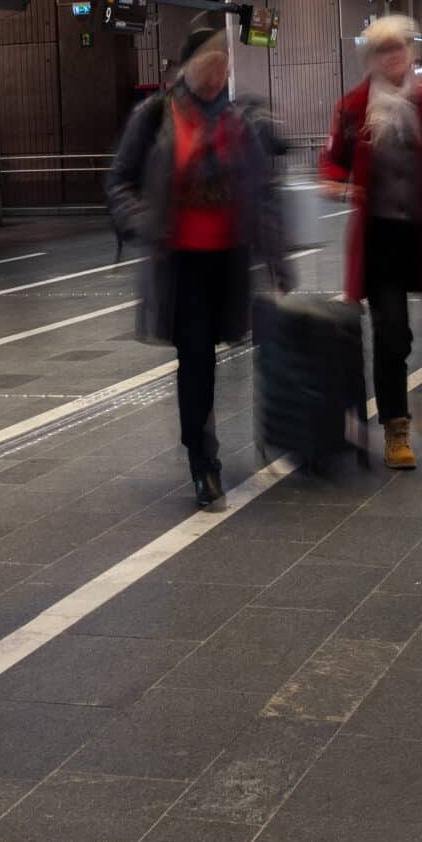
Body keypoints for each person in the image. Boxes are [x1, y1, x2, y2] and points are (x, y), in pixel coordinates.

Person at [107, 26, 295, 509]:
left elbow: (262, 194)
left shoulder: (239, 123)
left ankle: (226, 445)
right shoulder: (155, 116)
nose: (218, 73)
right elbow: (120, 181)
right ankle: (202, 462)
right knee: (197, 361)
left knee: (225, 355)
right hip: (182, 263)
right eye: (210, 63)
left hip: (230, 262)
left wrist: (279, 259)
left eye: (224, 64)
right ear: (187, 66)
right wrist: (145, 222)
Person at [320, 17, 422, 470]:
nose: (394, 56)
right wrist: (336, 182)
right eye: (385, 50)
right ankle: (397, 426)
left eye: (401, 48)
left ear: (411, 53)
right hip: (381, 241)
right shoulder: (354, 108)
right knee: (392, 335)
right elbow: (334, 160)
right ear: (372, 57)